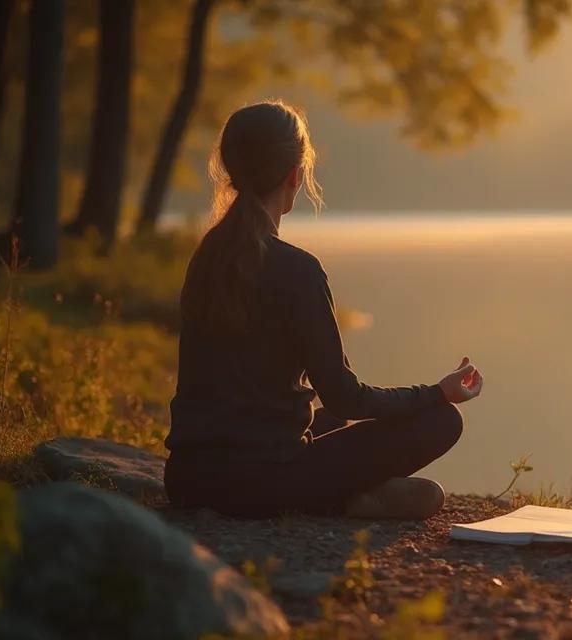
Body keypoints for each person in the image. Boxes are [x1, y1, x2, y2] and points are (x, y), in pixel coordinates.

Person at [163, 100, 482, 519]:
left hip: (188, 479)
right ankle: (340, 500)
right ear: (296, 175)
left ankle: (346, 497)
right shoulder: (297, 268)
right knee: (442, 421)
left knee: (326, 418)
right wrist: (437, 393)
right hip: (262, 482)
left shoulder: (206, 258)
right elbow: (347, 396)